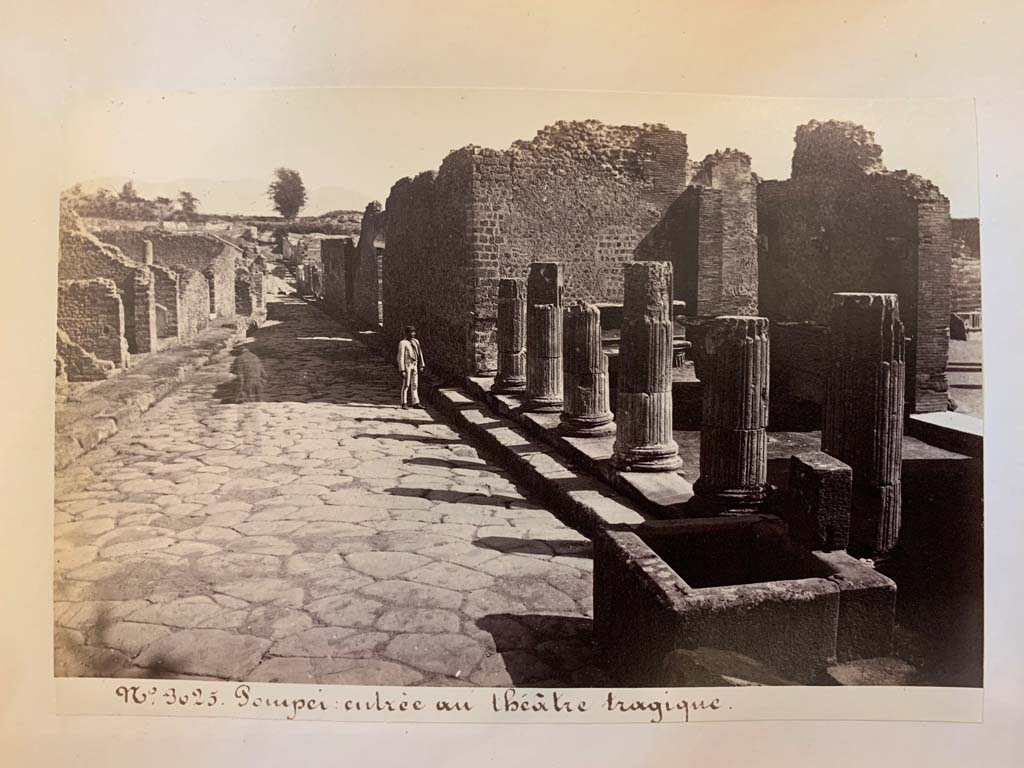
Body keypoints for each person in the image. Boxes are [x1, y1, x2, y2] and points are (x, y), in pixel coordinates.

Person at [396, 325, 426, 409]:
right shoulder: (403, 343)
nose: (413, 334)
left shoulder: (416, 341)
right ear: (406, 333)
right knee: (406, 384)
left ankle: (415, 402)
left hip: (415, 365)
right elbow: (400, 357)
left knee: (415, 384)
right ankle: (404, 402)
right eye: (411, 332)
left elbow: (420, 354)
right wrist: (402, 370)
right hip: (407, 366)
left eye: (414, 332)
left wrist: (421, 365)